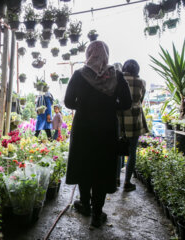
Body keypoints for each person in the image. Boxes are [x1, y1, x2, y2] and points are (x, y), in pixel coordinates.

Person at [64, 41, 132, 228]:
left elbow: (69, 102)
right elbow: (126, 103)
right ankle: (96, 214)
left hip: (84, 128)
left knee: (85, 165)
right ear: (106, 54)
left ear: (88, 54)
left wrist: (85, 106)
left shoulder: (79, 74)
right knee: (102, 168)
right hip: (107, 129)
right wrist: (109, 106)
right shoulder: (116, 75)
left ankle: (84, 203)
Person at [119, 59, 149, 192]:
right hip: (135, 119)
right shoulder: (141, 82)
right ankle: (127, 182)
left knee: (117, 149)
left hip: (119, 118)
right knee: (132, 152)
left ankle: (115, 179)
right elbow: (141, 100)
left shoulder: (118, 80)